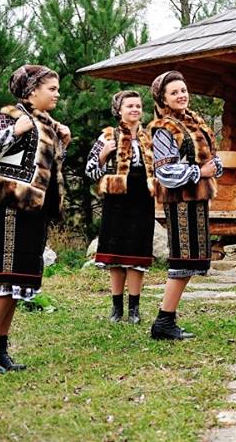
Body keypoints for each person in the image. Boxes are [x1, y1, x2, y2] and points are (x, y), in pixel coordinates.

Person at [0, 65, 70, 377]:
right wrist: (15, 130)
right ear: (31, 91)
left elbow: (40, 169)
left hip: (31, 209)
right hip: (5, 207)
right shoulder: (10, 116)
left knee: (17, 280)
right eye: (51, 88)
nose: (56, 94)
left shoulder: (47, 124)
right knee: (1, 277)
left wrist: (61, 142)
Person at [148, 71, 222, 340]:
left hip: (198, 199)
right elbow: (164, 172)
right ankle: (163, 322)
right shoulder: (163, 129)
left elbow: (209, 158)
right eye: (174, 92)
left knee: (192, 261)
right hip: (180, 201)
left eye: (183, 89)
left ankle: (166, 319)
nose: (181, 95)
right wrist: (199, 173)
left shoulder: (195, 122)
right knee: (181, 261)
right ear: (163, 99)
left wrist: (214, 167)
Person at [86, 90, 156, 324]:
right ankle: (117, 308)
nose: (135, 110)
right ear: (119, 110)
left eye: (138, 106)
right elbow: (90, 171)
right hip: (117, 200)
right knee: (115, 254)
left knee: (137, 253)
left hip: (143, 198)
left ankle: (134, 308)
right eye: (130, 106)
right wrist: (104, 155)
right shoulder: (108, 135)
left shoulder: (149, 137)